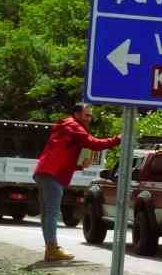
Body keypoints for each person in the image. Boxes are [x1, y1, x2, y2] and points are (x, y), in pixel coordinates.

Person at [33, 102, 120, 262]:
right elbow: (93, 143)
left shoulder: (65, 127)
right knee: (51, 213)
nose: (89, 118)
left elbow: (62, 156)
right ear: (77, 114)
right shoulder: (73, 125)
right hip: (52, 175)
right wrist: (117, 140)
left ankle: (50, 249)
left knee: (47, 214)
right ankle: (52, 249)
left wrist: (79, 166)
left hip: (45, 172)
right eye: (87, 115)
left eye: (90, 115)